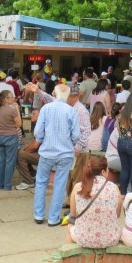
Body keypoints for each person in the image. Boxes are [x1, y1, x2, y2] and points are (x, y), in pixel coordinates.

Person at [32, 84, 79, 226]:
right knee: (60, 184)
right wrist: (68, 142)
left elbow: (38, 131)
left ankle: (39, 215)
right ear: (68, 95)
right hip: (65, 153)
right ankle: (53, 218)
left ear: (54, 93)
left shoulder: (46, 109)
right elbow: (76, 135)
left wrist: (40, 140)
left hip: (47, 151)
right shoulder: (71, 111)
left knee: (41, 182)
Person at [66, 157, 121, 248]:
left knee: (70, 227)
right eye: (108, 170)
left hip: (83, 238)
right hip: (110, 239)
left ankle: (67, 256)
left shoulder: (78, 187)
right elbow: (117, 215)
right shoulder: (114, 187)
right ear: (103, 172)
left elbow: (73, 213)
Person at [0, 89, 22, 191]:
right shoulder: (12, 110)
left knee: (2, 161)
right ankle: (7, 185)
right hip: (11, 136)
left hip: (0, 136)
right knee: (10, 161)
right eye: (11, 97)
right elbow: (19, 124)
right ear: (6, 99)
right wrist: (17, 109)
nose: (13, 99)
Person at [15, 108, 40, 191]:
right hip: (40, 152)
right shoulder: (37, 125)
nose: (31, 115)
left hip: (44, 155)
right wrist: (24, 149)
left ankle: (28, 181)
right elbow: (33, 141)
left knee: (21, 155)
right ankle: (32, 175)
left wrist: (24, 151)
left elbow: (35, 145)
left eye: (34, 114)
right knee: (20, 152)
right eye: (31, 113)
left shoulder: (41, 127)